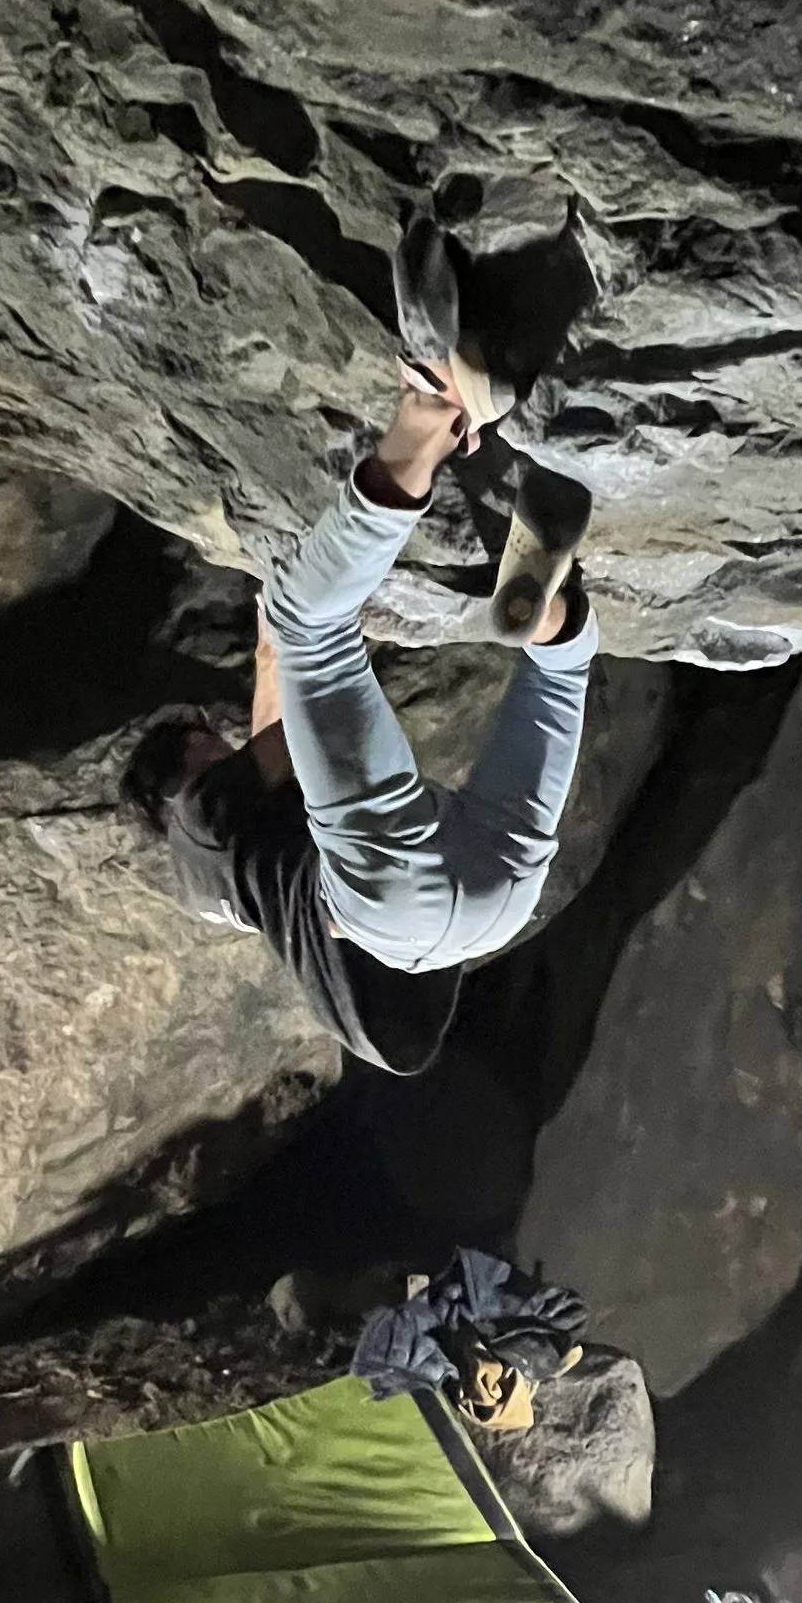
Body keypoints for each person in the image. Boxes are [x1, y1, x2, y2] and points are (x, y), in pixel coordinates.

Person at [123, 217, 597, 1075]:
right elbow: (277, 720)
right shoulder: (199, 825)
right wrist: (277, 605)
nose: (219, 741)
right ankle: (438, 404)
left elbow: (403, 1041)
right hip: (389, 898)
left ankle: (552, 613)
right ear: (183, 764)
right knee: (305, 618)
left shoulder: (231, 896)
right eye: (205, 740)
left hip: (492, 913)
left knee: (559, 679)